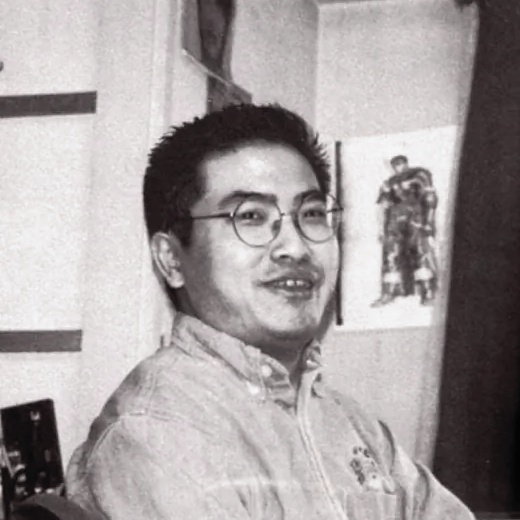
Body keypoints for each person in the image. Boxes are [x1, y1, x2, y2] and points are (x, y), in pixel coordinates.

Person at [66, 104, 472, 520]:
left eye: (312, 214)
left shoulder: (350, 422)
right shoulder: (158, 431)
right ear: (171, 260)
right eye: (251, 217)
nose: (295, 247)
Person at [372, 155, 439, 307]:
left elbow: (430, 199)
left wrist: (428, 224)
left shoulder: (420, 175)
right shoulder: (389, 182)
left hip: (415, 219)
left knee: (420, 253)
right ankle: (389, 293)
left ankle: (428, 292)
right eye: (395, 164)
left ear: (406, 162)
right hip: (395, 222)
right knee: (390, 255)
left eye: (400, 162)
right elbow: (383, 205)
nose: (398, 166)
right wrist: (381, 228)